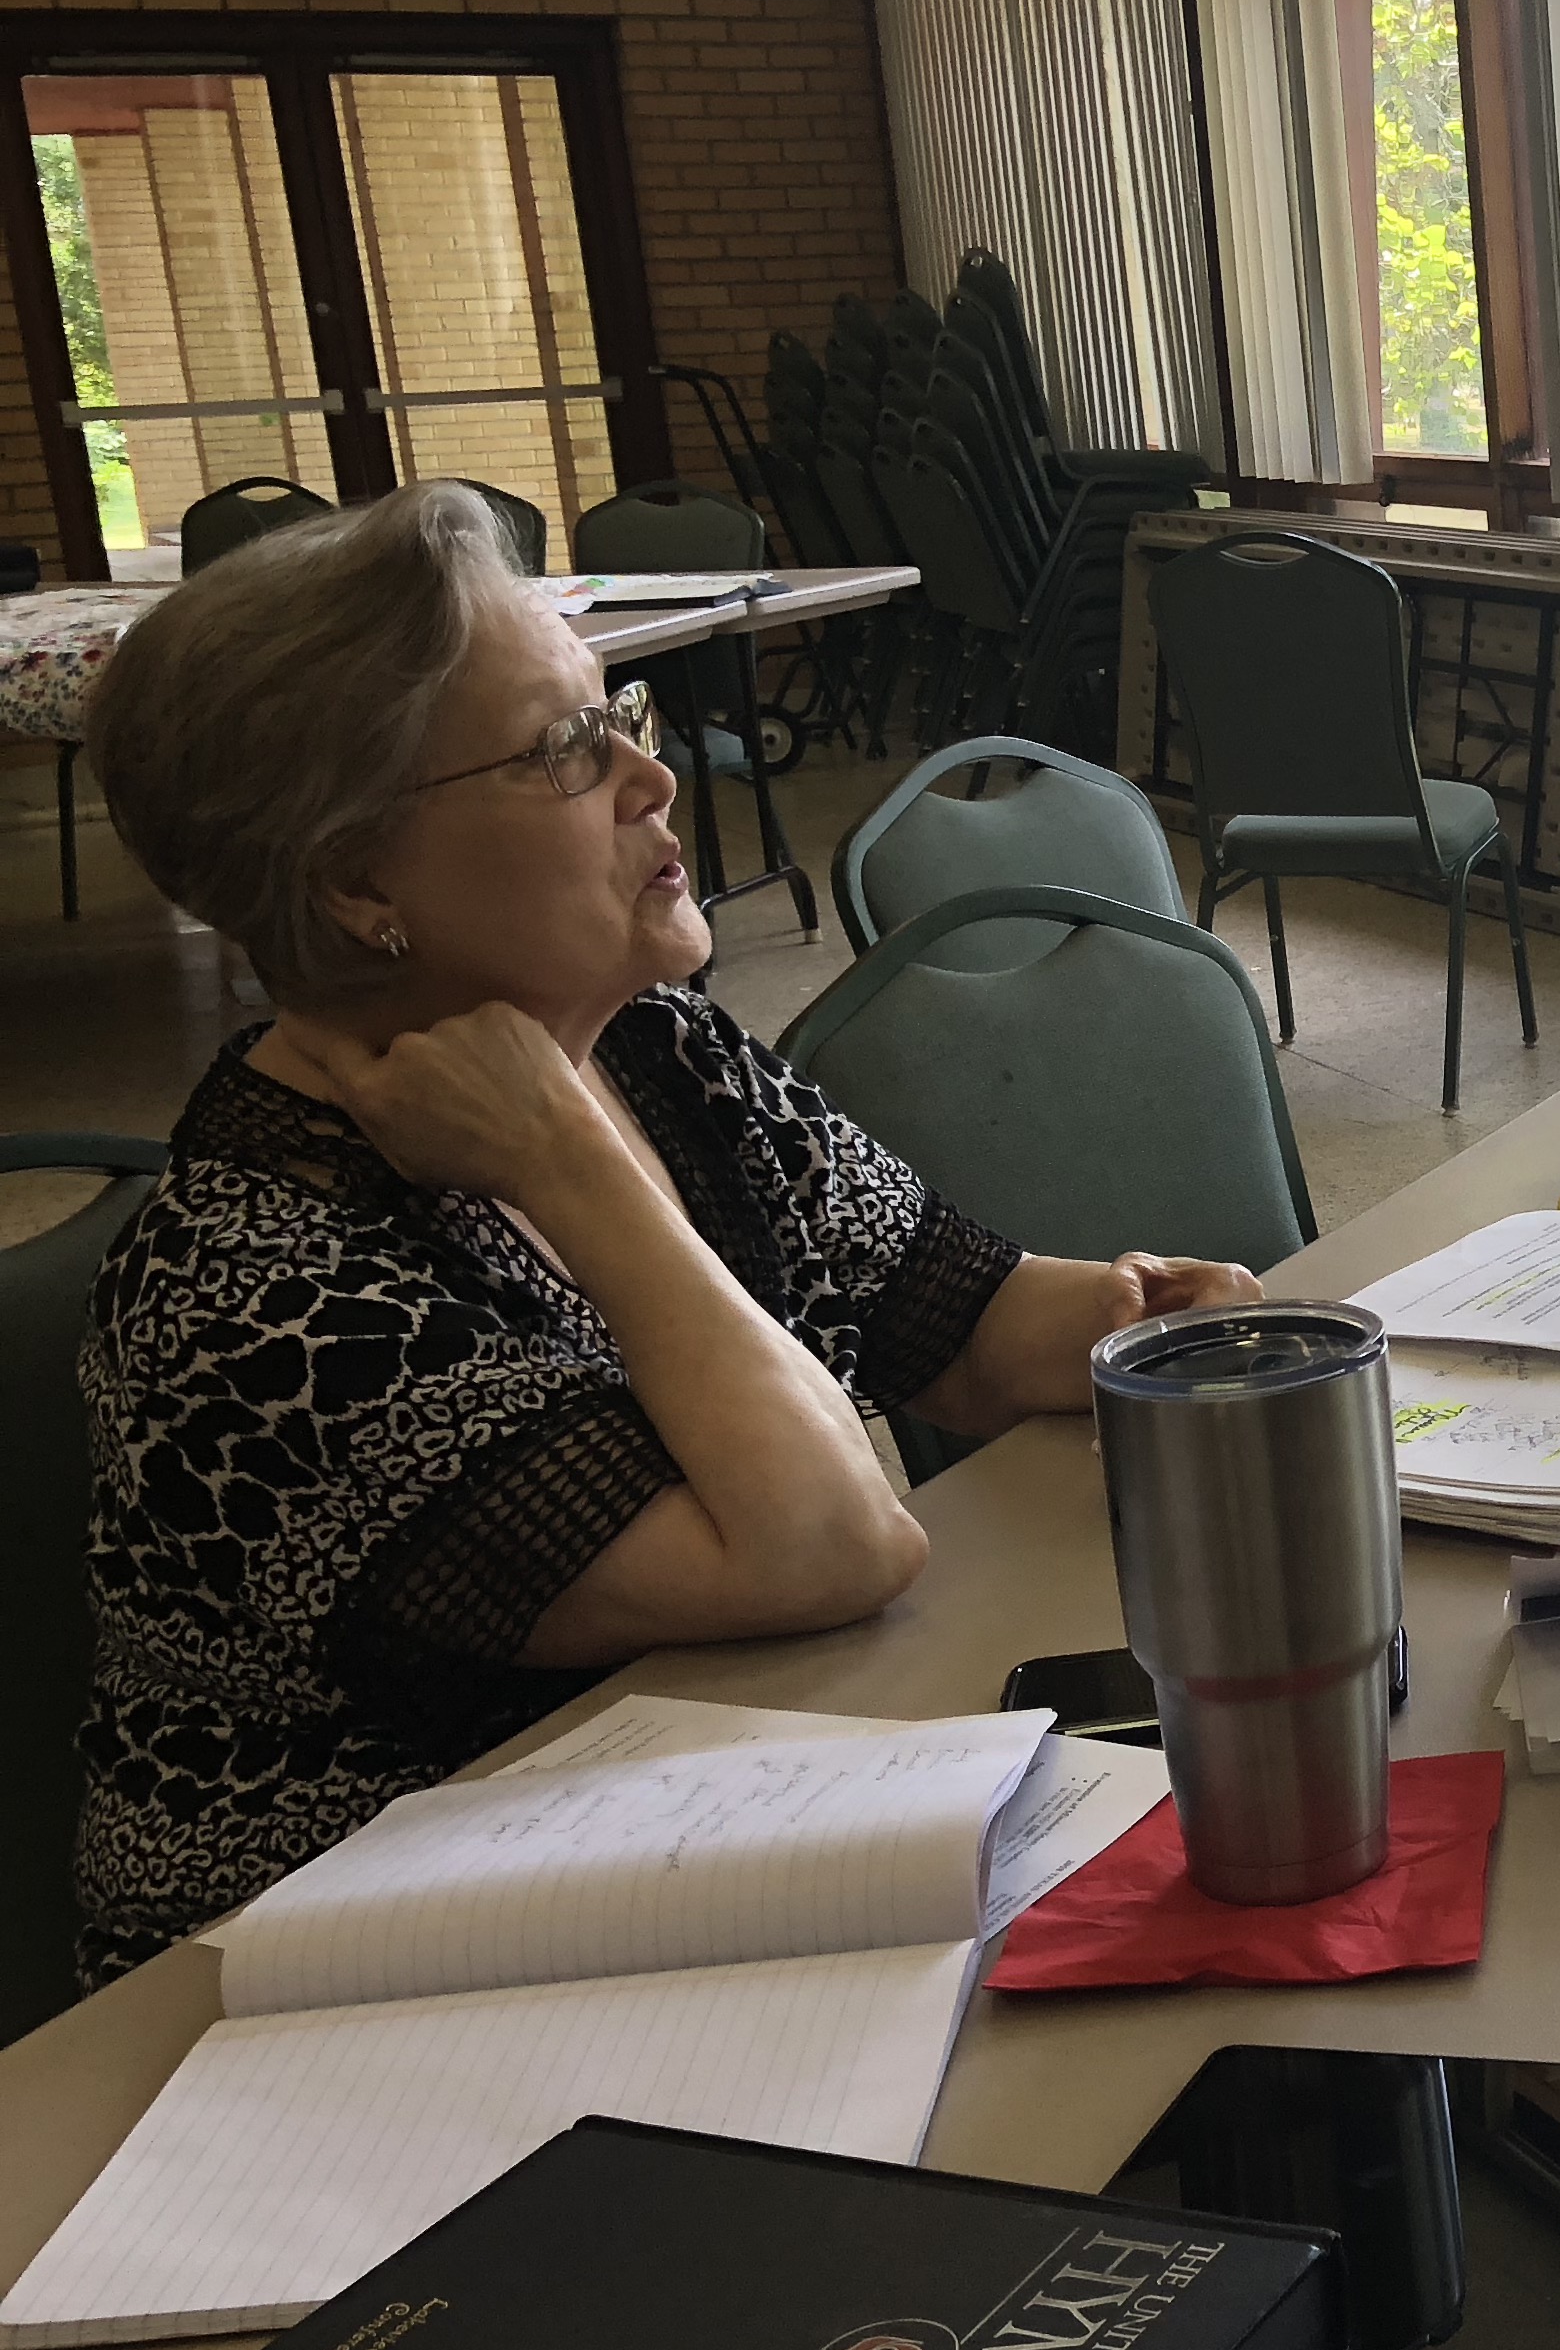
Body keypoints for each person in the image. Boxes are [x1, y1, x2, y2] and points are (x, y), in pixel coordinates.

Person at [70, 483, 1262, 1984]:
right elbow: (823, 1550)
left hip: (675, 1854)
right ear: (358, 881)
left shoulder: (655, 1048)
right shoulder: (249, 1295)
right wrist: (574, 1167)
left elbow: (957, 1321)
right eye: (566, 750)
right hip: (329, 1997)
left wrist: (1140, 1314)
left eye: (617, 713)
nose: (655, 776)